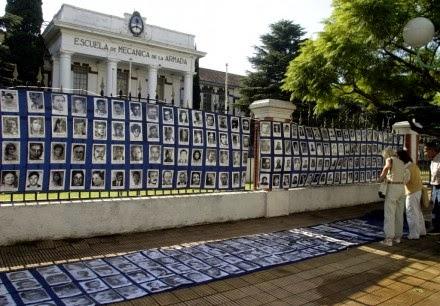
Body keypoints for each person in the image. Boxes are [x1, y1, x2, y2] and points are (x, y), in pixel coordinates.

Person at [379, 147, 408, 246]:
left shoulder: (389, 159)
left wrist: (381, 177)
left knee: (389, 213)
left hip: (393, 187)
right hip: (401, 188)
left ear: (387, 154)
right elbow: (406, 175)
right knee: (399, 213)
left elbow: (386, 167)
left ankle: (389, 239)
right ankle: (398, 237)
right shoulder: (401, 162)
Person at [396, 150, 426, 239]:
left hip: (411, 192)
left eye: (397, 157)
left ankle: (414, 234)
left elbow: (404, 181)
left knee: (411, 213)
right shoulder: (414, 166)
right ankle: (421, 231)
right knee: (418, 212)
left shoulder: (407, 169)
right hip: (418, 191)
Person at [424, 141, 440, 233]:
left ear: (432, 150)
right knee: (434, 207)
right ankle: (435, 226)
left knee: (438, 207)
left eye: (426, 150)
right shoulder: (433, 160)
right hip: (435, 186)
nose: (425, 153)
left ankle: (437, 227)